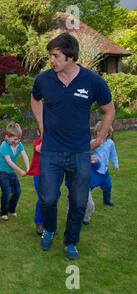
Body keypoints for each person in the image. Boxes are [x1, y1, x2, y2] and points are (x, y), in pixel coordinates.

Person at [31, 32, 115, 260]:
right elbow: (35, 98)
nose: (51, 60)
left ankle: (71, 241)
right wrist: (41, 125)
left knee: (78, 202)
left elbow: (109, 110)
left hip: (79, 153)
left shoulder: (93, 81)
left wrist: (99, 139)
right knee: (48, 198)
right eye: (50, 56)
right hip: (51, 151)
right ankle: (49, 229)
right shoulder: (44, 80)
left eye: (55, 56)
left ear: (70, 57)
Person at [0, 122, 30, 221]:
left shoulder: (19, 144)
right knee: (6, 191)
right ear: (7, 137)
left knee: (17, 191)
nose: (17, 141)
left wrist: (28, 168)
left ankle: (11, 209)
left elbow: (25, 156)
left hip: (11, 172)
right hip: (2, 172)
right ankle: (4, 212)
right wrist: (20, 171)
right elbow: (9, 162)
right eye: (15, 139)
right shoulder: (4, 146)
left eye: (19, 139)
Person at [90, 122, 119, 207]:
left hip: (104, 171)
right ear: (96, 132)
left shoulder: (110, 143)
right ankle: (85, 199)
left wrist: (116, 164)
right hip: (94, 170)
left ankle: (106, 201)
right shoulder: (93, 142)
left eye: (104, 132)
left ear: (108, 133)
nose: (102, 134)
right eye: (99, 131)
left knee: (108, 186)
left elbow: (113, 154)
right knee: (88, 186)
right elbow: (87, 153)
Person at [27, 129, 43, 235]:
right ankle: (39, 222)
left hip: (52, 175)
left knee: (53, 198)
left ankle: (50, 223)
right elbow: (40, 149)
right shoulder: (36, 143)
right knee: (42, 198)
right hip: (38, 174)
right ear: (38, 132)